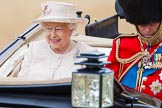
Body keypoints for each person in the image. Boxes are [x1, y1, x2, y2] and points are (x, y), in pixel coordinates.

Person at [18, 1, 96, 80]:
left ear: (71, 30)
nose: (53, 35)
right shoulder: (33, 49)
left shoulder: (88, 54)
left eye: (58, 29)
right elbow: (20, 84)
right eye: (48, 29)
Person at [106, 0, 162, 101]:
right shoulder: (121, 44)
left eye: (152, 23)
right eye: (142, 24)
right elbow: (108, 83)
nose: (147, 30)